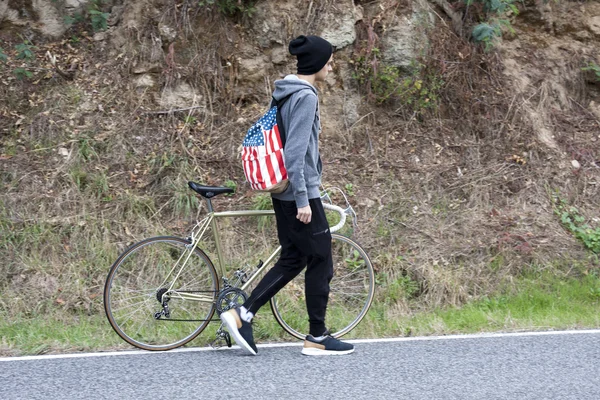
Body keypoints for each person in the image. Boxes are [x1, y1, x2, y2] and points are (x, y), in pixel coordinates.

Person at [220, 35, 355, 356]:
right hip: (298, 193)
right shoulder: (305, 96)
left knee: (294, 258)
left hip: (283, 192)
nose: (332, 65)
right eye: (330, 60)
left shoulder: (284, 91)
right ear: (318, 63)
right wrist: (305, 199)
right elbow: (295, 151)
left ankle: (244, 314)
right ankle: (317, 336)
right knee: (321, 258)